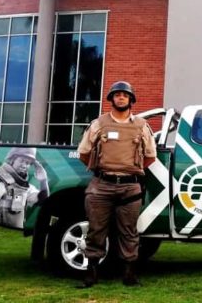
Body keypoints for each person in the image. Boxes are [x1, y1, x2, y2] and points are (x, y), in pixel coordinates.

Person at [77, 80, 156, 288]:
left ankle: (129, 275)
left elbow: (150, 156)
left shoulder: (141, 126)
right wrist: (102, 170)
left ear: (131, 99)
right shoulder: (99, 123)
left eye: (125, 94)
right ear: (111, 99)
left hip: (130, 187)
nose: (121, 97)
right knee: (95, 230)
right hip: (101, 185)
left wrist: (130, 171)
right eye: (117, 94)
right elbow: (84, 152)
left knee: (129, 231)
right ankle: (91, 273)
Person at [0, 147, 49, 229]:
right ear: (12, 160)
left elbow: (44, 201)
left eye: (28, 163)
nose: (25, 165)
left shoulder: (24, 186)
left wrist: (43, 180)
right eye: (21, 161)